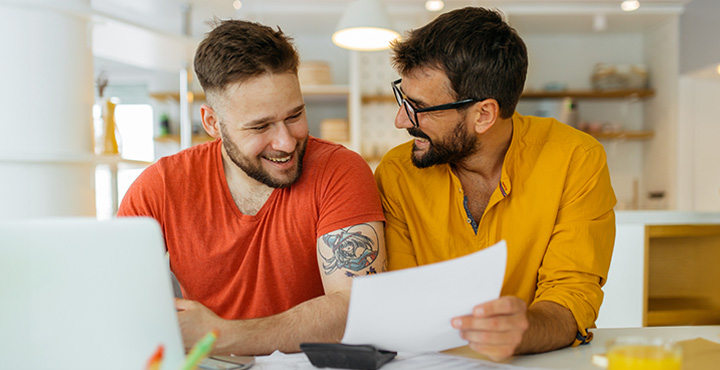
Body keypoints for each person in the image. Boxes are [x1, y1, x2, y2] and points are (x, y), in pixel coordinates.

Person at [118, 20, 386, 356]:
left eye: (295, 115)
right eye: (261, 126)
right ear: (212, 123)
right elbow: (116, 298)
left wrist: (222, 334)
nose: (286, 142)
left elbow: (356, 308)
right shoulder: (159, 187)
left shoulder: (340, 171)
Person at [374, 7, 616, 361]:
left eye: (419, 107)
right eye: (402, 98)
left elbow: (573, 295)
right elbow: (403, 301)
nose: (400, 120)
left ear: (484, 114)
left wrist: (525, 329)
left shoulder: (575, 158)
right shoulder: (397, 172)